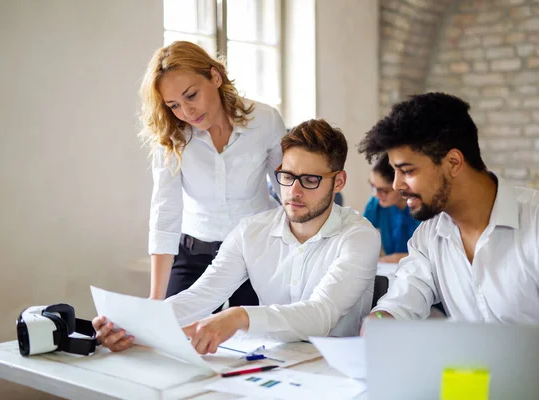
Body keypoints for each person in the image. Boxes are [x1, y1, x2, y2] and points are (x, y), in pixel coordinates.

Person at [94, 119, 379, 354]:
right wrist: (129, 327)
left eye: (310, 180)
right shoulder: (251, 231)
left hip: (339, 374)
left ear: (338, 181)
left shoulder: (359, 236)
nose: (294, 191)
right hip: (272, 364)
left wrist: (239, 316)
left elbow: (321, 315)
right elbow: (202, 295)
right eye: (287, 176)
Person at [358, 92, 539, 387]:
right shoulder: (429, 236)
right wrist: (381, 322)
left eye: (407, 171)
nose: (398, 185)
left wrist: (488, 379)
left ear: (453, 162)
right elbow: (400, 303)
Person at [139, 41, 286, 305]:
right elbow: (165, 212)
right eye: (174, 105)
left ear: (215, 77)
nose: (186, 112)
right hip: (195, 253)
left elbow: (288, 191)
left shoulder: (265, 121)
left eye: (191, 96)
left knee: (258, 338)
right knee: (173, 333)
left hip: (255, 253)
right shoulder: (172, 137)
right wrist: (155, 300)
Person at [364, 154, 420, 263]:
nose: (375, 194)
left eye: (383, 190)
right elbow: (360, 235)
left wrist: (398, 258)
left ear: (400, 185)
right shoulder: (376, 204)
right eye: (372, 186)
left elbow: (433, 255)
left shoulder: (421, 207)